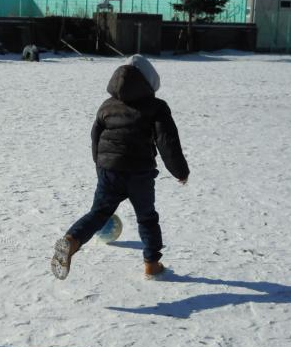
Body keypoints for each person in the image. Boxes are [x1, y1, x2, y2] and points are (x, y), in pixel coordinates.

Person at [51, 54, 189, 281]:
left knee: (98, 214)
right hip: (139, 173)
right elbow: (168, 142)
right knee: (147, 218)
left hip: (109, 170)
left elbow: (96, 137)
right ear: (150, 82)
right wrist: (180, 172)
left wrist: (101, 167)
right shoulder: (156, 107)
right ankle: (152, 265)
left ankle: (71, 240)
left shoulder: (107, 105)